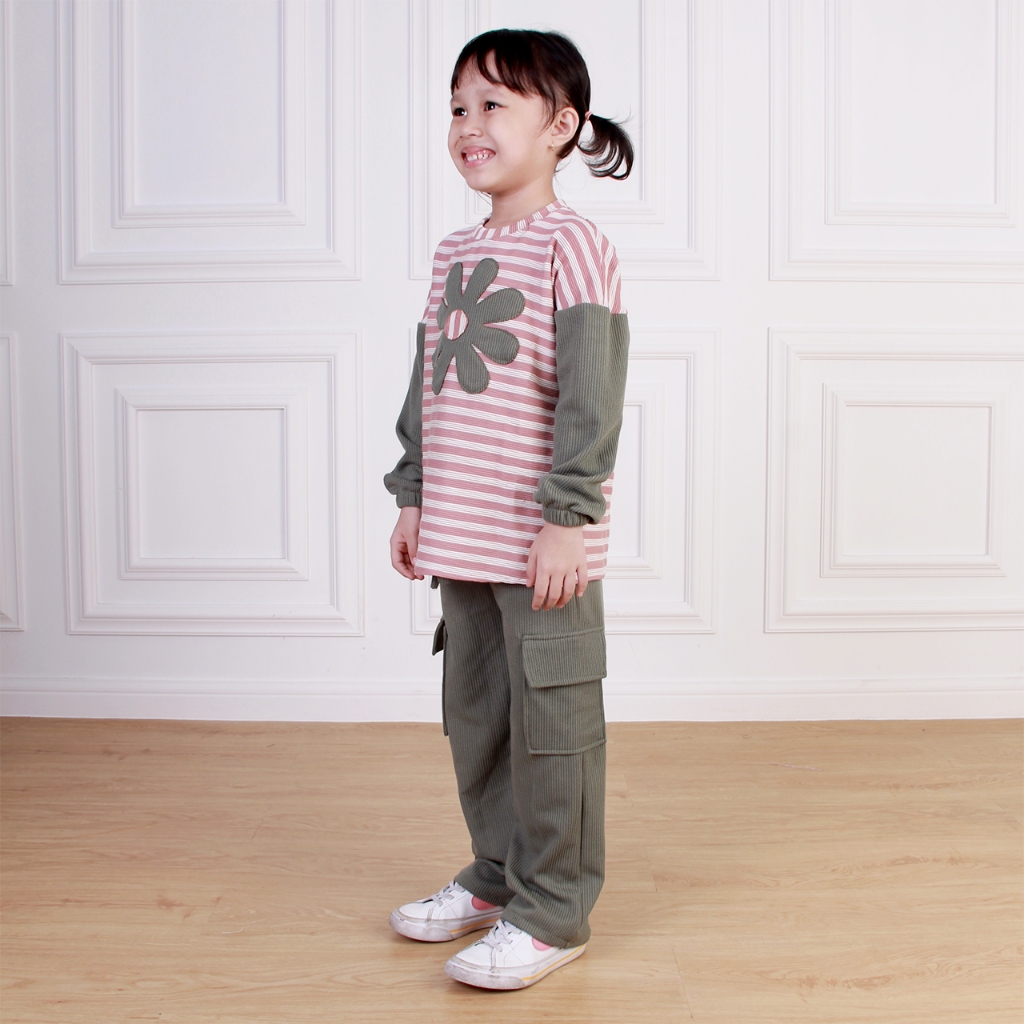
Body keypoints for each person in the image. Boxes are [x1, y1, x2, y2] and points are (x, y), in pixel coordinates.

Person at [383, 28, 633, 991]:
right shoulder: (453, 252)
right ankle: (497, 876)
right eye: (458, 106)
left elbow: (590, 395)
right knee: (480, 718)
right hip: (461, 536)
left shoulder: (576, 246)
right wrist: (413, 495)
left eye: (493, 104)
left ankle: (553, 908)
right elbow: (429, 388)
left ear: (560, 126)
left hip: (542, 545)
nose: (468, 123)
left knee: (552, 726)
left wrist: (569, 515)